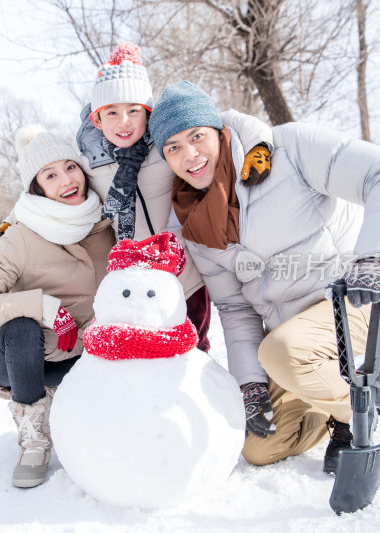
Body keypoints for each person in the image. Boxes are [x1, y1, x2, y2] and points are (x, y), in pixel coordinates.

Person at [148, 81, 380, 474]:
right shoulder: (191, 222)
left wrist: (375, 257)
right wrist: (251, 385)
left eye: (197, 136)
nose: (189, 155)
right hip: (289, 340)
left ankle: (354, 413)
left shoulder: (289, 149)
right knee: (260, 447)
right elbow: (234, 307)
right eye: (173, 147)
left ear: (219, 132)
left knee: (283, 352)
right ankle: (342, 388)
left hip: (353, 299)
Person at [75, 42, 274, 352]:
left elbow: (228, 121)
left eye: (134, 110)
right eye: (111, 112)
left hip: (186, 272)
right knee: (145, 354)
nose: (124, 121)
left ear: (148, 112)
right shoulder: (89, 162)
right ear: (97, 119)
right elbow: (51, 184)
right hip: (134, 280)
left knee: (195, 346)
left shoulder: (168, 144)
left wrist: (259, 144)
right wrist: (12, 221)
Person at [0, 125, 116, 489]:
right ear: (37, 187)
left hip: (78, 353)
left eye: (70, 167)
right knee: (22, 328)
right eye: (50, 175)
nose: (66, 180)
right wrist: (41, 306)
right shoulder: (22, 235)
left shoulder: (105, 223)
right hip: (20, 357)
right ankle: (33, 438)